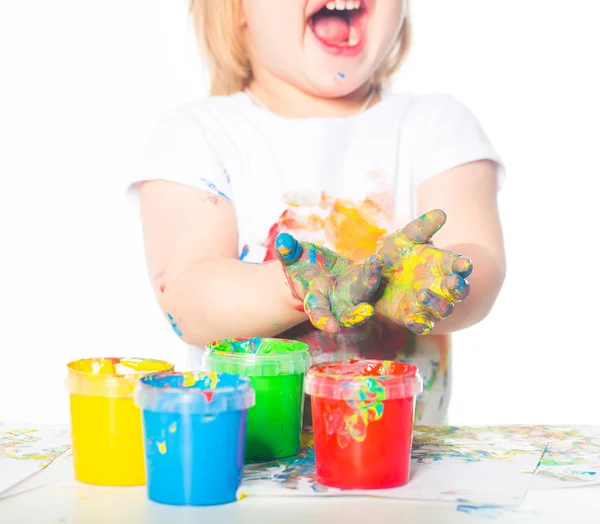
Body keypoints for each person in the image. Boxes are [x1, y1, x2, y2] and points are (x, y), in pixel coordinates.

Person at [128, 0, 506, 424]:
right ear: (236, 10)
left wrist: (427, 280)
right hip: (254, 462)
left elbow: (482, 262)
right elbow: (188, 299)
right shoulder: (197, 135)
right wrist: (297, 287)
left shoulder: (436, 126)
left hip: (407, 468)